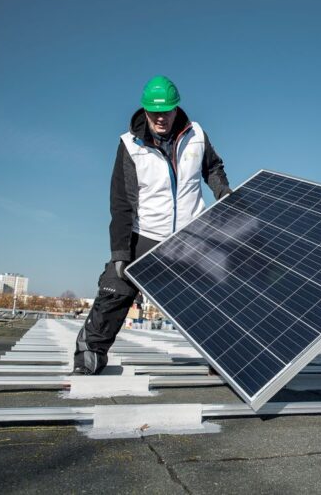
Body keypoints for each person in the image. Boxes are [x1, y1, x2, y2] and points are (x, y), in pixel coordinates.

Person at [73, 75, 232, 375]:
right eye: (154, 111)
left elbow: (213, 168)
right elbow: (121, 203)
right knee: (116, 287)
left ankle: (222, 358)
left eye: (167, 111)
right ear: (144, 110)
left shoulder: (197, 135)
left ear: (176, 108)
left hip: (192, 233)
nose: (161, 117)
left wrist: (222, 191)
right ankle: (90, 351)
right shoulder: (130, 146)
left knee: (214, 292)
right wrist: (120, 252)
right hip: (146, 234)